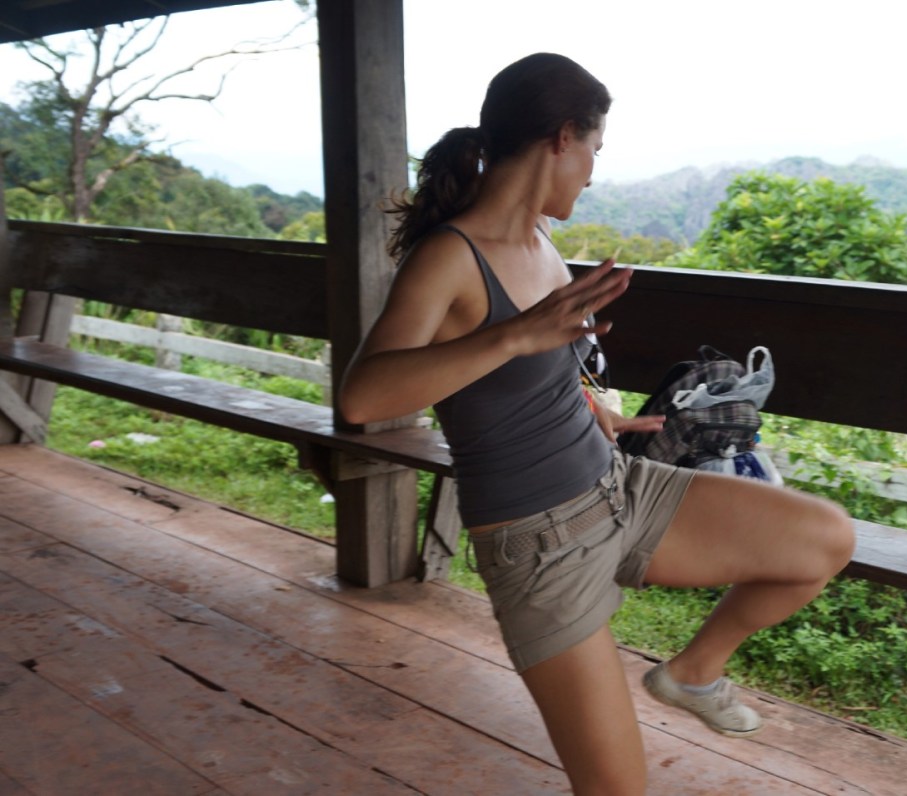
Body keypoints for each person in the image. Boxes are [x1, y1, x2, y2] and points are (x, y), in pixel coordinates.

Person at [340, 52, 855, 796]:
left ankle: (693, 671)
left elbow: (524, 377)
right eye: (594, 151)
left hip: (617, 490)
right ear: (561, 137)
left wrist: (595, 409)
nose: (592, 171)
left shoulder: (543, 244)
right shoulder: (447, 258)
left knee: (823, 538)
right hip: (538, 547)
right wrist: (516, 335)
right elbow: (364, 396)